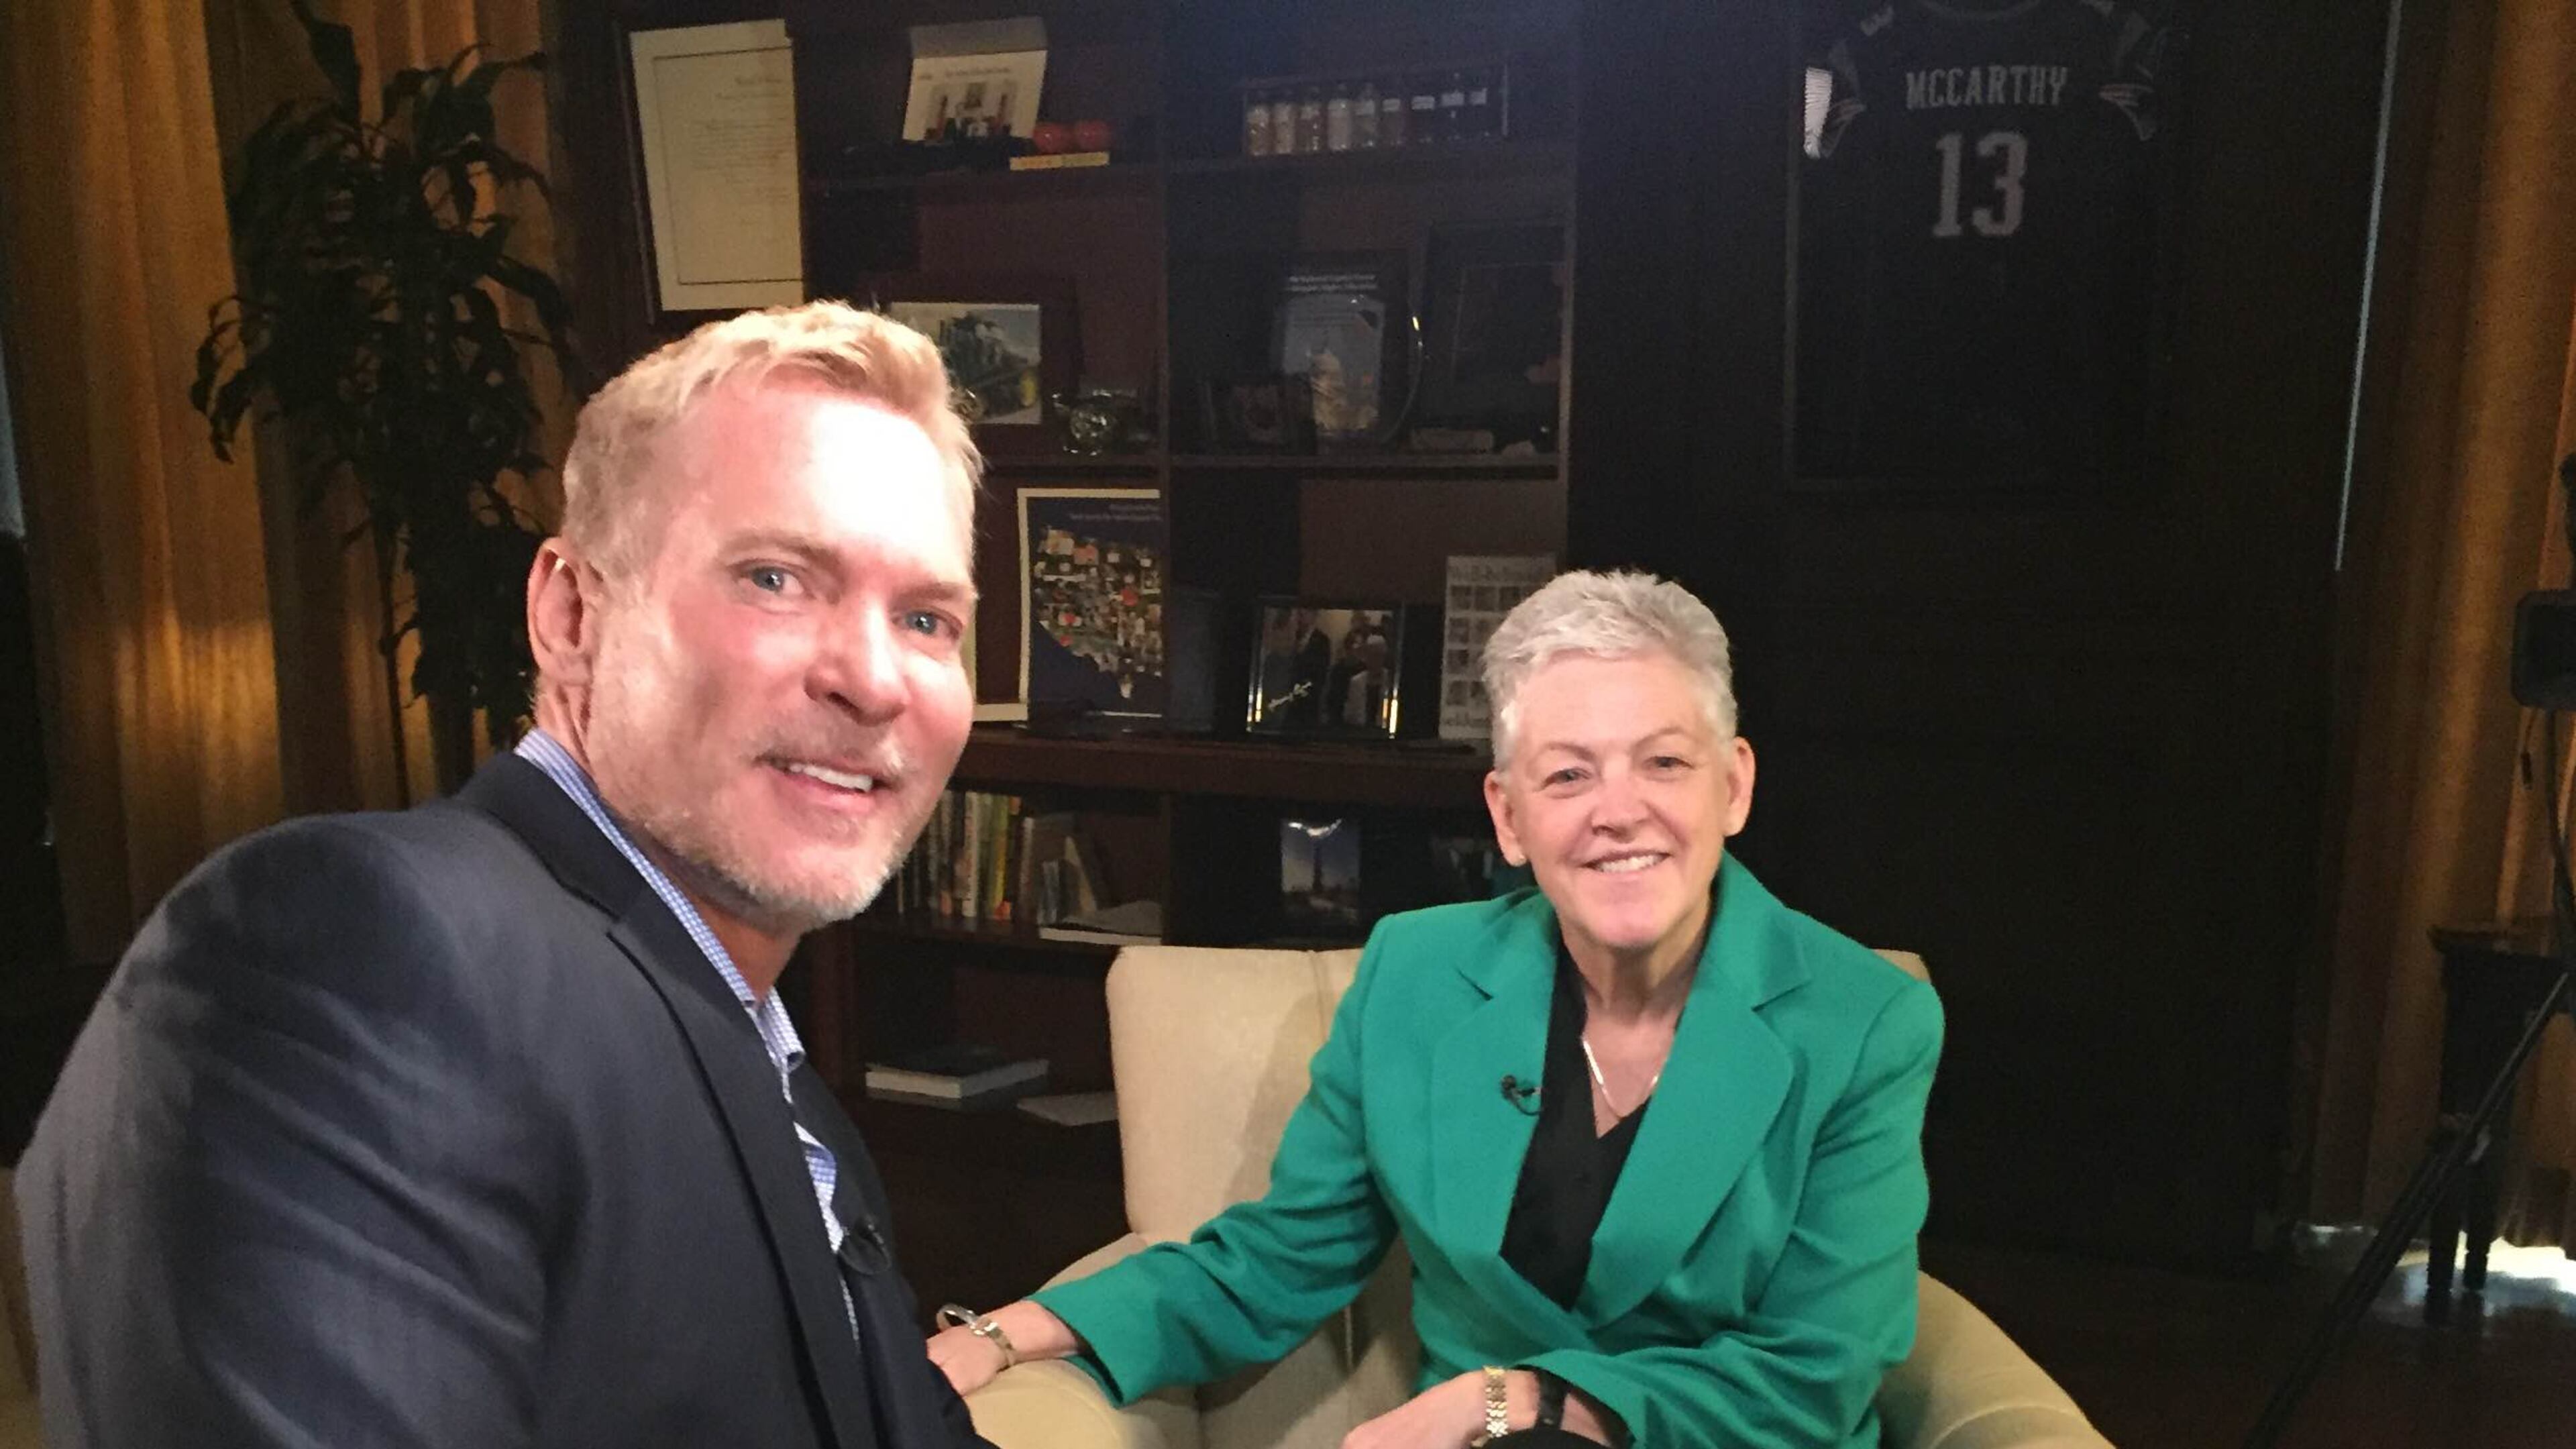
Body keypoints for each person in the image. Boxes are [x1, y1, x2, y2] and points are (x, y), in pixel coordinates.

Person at [18, 302, 996, 1449]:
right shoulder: (355, 949)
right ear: (572, 612)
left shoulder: (755, 1051)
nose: (874, 679)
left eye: (927, 618)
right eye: (777, 579)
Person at [928, 570, 1943, 1448]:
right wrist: (1001, 1334)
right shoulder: (1416, 974)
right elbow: (1279, 1261)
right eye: (1568, 774)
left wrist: (1520, 1401)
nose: (1618, 809)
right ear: (1509, 816)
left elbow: (1818, 1374)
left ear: (1734, 787)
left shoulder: (1865, 1024)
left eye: (1665, 762)